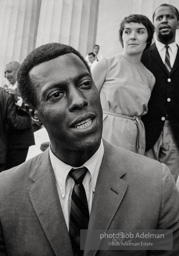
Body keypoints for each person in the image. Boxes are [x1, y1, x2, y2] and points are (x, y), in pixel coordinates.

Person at [0, 42, 178, 256]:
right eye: (56, 94)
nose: (79, 100)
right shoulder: (5, 194)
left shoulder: (155, 183)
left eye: (85, 84)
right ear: (34, 113)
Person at [92, 14, 155, 155]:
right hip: (105, 132)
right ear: (122, 37)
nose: (133, 36)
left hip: (134, 136)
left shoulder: (149, 77)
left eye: (140, 31)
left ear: (148, 39)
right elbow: (87, 102)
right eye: (127, 31)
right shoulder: (106, 64)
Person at [141, 4, 179, 181]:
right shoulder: (141, 55)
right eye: (159, 18)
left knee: (169, 186)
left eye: (169, 17)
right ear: (153, 24)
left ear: (177, 23)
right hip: (148, 131)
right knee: (146, 184)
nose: (164, 20)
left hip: (176, 133)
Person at [4, 61, 35, 169]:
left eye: (9, 72)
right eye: (4, 73)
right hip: (9, 141)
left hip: (20, 141)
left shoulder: (28, 87)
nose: (6, 76)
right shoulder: (8, 88)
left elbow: (34, 110)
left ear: (18, 71)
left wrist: (17, 98)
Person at [0, 87, 32, 172]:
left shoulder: (6, 93)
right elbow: (15, 122)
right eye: (6, 72)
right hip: (6, 148)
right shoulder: (5, 94)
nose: (6, 75)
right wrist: (29, 119)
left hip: (14, 145)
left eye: (9, 72)